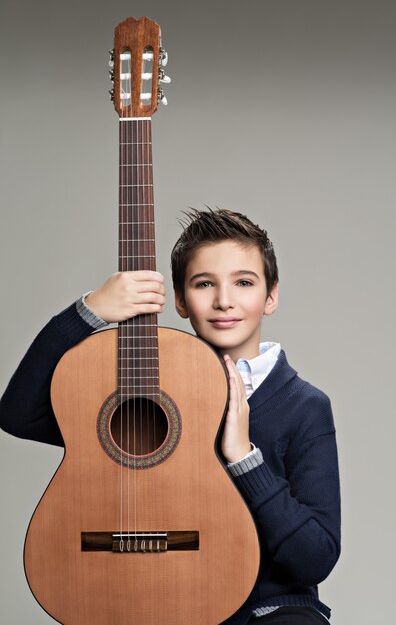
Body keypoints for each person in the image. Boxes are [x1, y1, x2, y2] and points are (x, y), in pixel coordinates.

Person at [0, 208, 341, 624]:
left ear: (270, 296)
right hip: (137, 597)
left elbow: (314, 560)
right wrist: (89, 311)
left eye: (244, 282)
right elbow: (17, 414)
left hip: (263, 613)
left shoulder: (304, 406)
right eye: (203, 284)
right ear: (179, 299)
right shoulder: (138, 396)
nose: (224, 300)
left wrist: (243, 457)